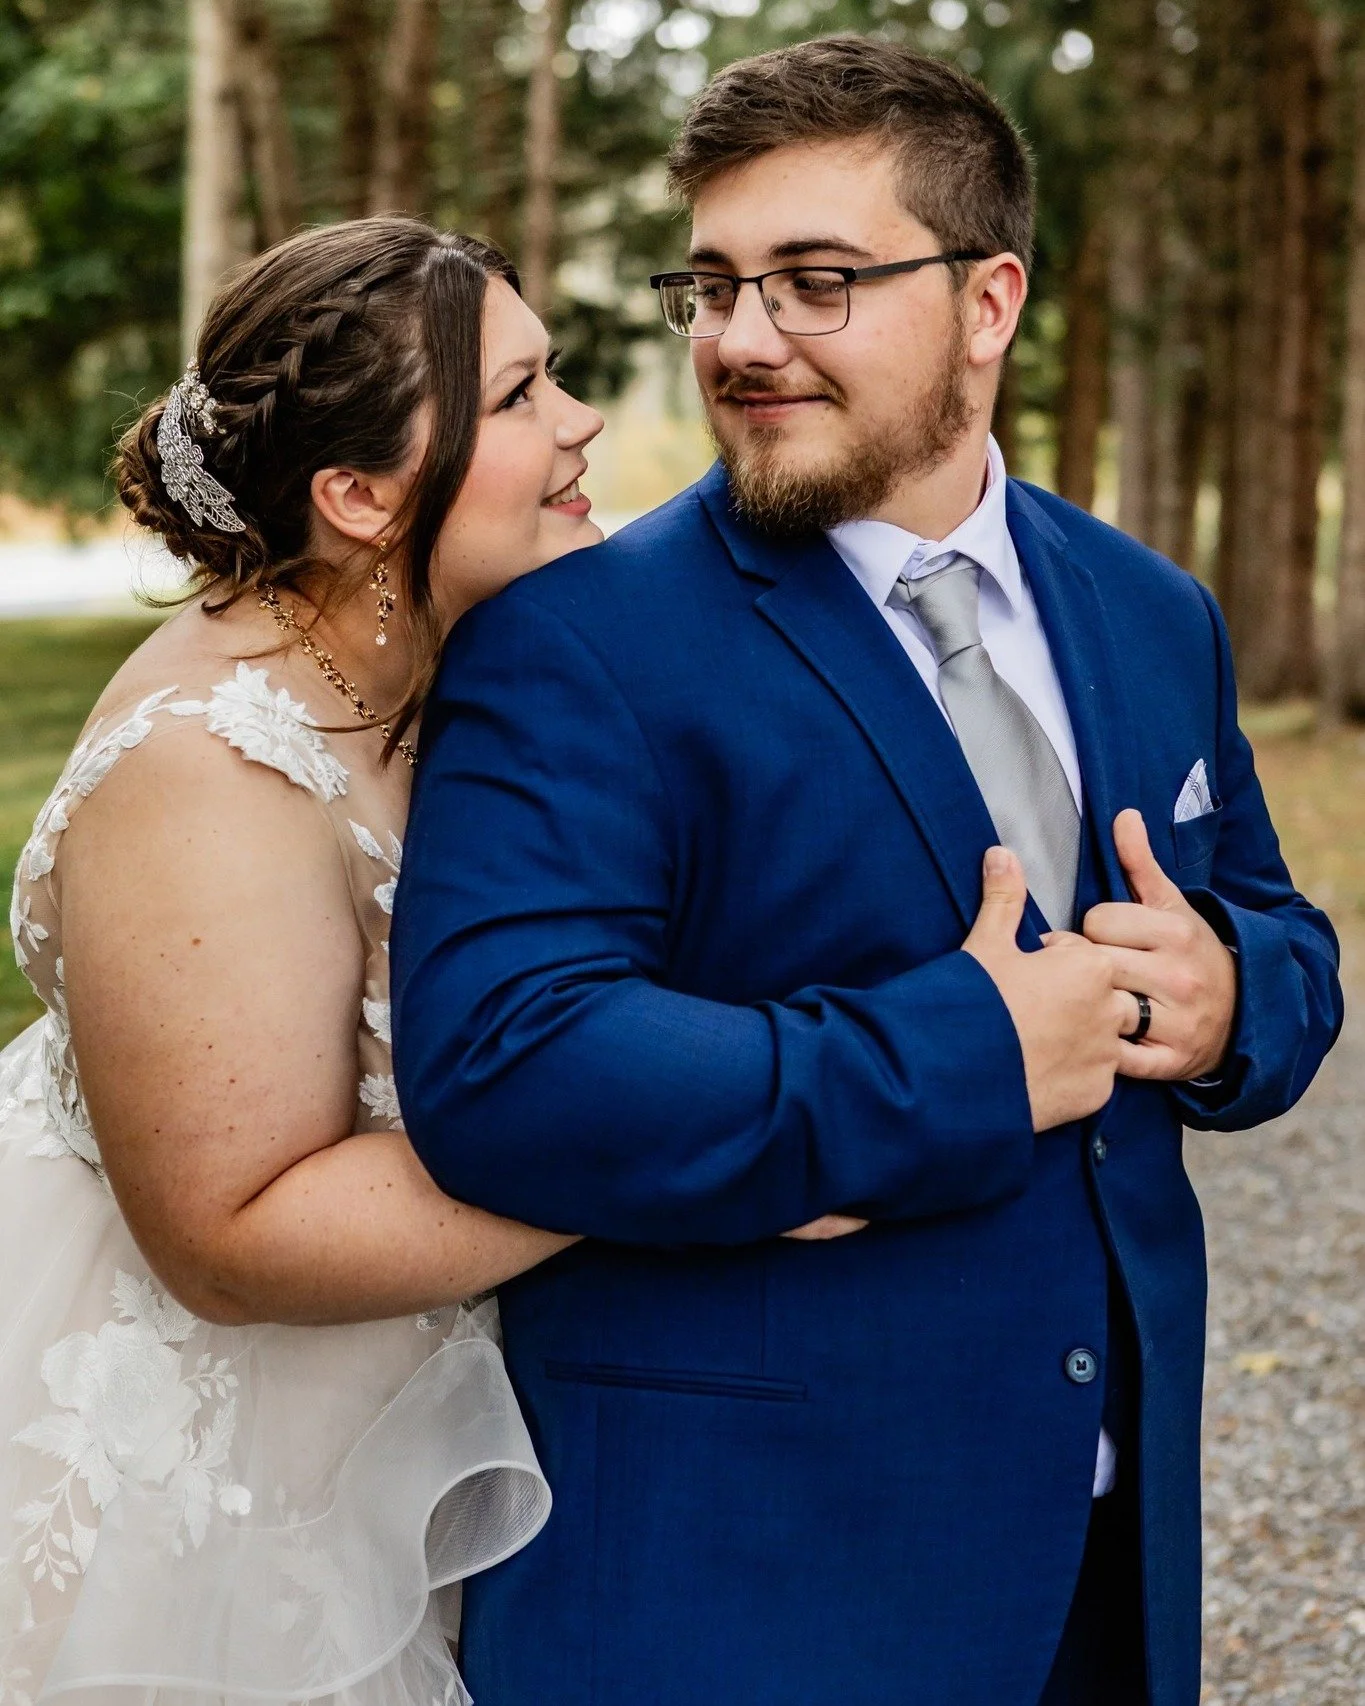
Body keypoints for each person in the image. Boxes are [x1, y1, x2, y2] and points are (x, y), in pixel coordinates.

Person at [390, 39, 1344, 1706]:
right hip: (746, 1594)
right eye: (715, 286)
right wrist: (973, 1050)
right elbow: (510, 1065)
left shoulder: (1150, 609)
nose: (742, 341)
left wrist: (1230, 995)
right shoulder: (575, 643)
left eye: (817, 284)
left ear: (990, 302)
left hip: (1105, 1575)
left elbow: (1275, 926)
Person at [0, 216, 608, 1704]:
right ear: (357, 494)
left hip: (374, 1419)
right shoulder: (211, 769)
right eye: (522, 396)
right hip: (191, 1519)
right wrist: (685, 1161)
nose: (582, 421)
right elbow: (230, 1233)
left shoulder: (436, 660)